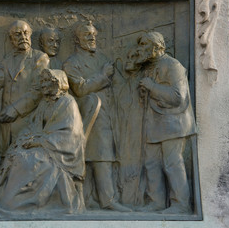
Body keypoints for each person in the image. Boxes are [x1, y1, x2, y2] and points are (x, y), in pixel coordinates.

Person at [0, 69, 85, 214]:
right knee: (15, 154)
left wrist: (39, 142)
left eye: (46, 81)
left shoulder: (67, 102)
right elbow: (33, 125)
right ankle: (3, 201)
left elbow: (71, 134)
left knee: (27, 160)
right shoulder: (44, 102)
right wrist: (24, 139)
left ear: (58, 83)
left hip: (60, 152)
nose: (43, 85)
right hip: (43, 145)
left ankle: (18, 204)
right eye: (41, 82)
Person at [63, 21, 131, 212]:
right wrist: (102, 76)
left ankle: (91, 199)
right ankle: (107, 200)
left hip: (111, 114)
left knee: (102, 156)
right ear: (77, 39)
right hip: (90, 115)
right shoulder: (71, 63)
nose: (92, 38)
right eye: (87, 35)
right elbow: (80, 88)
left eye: (93, 34)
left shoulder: (103, 58)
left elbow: (119, 84)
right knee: (100, 157)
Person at [136, 31, 196, 214]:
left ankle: (181, 204)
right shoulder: (150, 66)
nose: (141, 49)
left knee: (172, 163)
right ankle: (157, 202)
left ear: (157, 47)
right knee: (151, 163)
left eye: (144, 45)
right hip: (154, 124)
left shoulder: (173, 65)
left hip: (173, 124)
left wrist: (151, 87)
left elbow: (178, 97)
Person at [0, 20, 49, 157]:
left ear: (30, 35)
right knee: (5, 161)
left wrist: (15, 109)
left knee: (24, 162)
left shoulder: (39, 58)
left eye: (25, 33)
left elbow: (38, 91)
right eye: (17, 34)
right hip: (6, 125)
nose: (22, 37)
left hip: (28, 120)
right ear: (11, 39)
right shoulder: (7, 60)